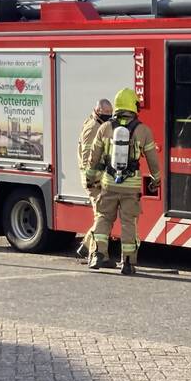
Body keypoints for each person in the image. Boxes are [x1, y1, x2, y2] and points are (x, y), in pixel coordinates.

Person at [85, 88, 161, 276]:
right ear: (133, 106)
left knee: (103, 218)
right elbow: (152, 159)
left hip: (109, 183)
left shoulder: (105, 128)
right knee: (128, 223)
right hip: (131, 186)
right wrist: (156, 179)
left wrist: (90, 178)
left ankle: (97, 254)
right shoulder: (143, 130)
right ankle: (127, 263)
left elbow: (93, 157)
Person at [76, 98, 113, 260]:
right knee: (102, 217)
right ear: (97, 111)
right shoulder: (93, 128)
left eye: (110, 113)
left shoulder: (98, 125)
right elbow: (88, 160)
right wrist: (96, 180)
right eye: (106, 113)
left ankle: (86, 246)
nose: (109, 116)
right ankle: (97, 254)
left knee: (104, 216)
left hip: (97, 178)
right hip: (93, 180)